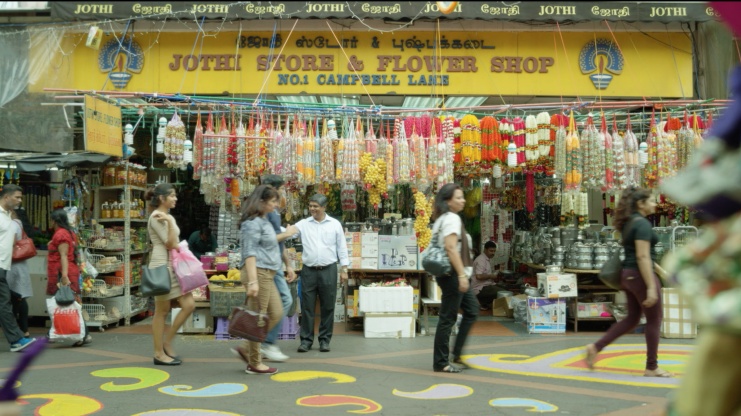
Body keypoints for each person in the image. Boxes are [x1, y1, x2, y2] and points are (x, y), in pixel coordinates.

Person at [585, 187, 671, 377]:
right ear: (641, 204)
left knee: (632, 318)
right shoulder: (642, 225)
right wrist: (651, 287)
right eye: (651, 200)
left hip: (629, 275)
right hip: (641, 276)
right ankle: (652, 366)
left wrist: (661, 271)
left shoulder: (630, 223)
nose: (655, 204)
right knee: (654, 319)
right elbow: (642, 257)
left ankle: (595, 347)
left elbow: (642, 255)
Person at [282, 194, 348, 353]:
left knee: (328, 306)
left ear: (324, 207)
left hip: (329, 270)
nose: (312, 209)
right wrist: (274, 228)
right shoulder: (304, 224)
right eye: (311, 206)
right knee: (307, 307)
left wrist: (344, 269)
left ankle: (325, 340)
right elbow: (288, 232)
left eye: (315, 206)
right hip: (309, 271)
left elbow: (342, 247)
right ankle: (306, 341)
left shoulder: (334, 224)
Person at [230, 185, 284, 375]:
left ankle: (246, 346)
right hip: (258, 273)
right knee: (258, 317)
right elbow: (249, 253)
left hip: (267, 273)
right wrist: (253, 281)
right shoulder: (252, 223)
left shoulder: (263, 220)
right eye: (273, 201)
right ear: (261, 202)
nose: (276, 205)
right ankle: (255, 362)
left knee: (275, 312)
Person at [429, 183, 478, 373]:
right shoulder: (451, 219)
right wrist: (461, 276)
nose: (463, 200)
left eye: (462, 197)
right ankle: (441, 363)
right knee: (447, 319)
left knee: (472, 310)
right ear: (448, 201)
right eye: (458, 197)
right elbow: (450, 248)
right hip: (453, 274)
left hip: (453, 273)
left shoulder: (443, 218)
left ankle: (456, 353)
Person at [146, 183, 195, 366]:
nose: (175, 199)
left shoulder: (165, 216)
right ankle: (159, 353)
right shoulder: (157, 217)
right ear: (162, 198)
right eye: (172, 195)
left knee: (189, 304)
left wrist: (168, 221)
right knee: (161, 311)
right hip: (162, 266)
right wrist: (167, 222)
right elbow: (171, 243)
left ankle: (166, 343)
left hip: (172, 265)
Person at [259, 174, 297, 362]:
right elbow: (269, 240)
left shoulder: (273, 212)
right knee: (284, 301)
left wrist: (288, 265)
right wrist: (287, 233)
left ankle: (261, 343)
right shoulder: (264, 213)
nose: (283, 193)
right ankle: (265, 343)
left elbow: (277, 243)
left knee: (279, 303)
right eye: (281, 189)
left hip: (274, 264)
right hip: (265, 265)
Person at [47, 208, 91, 346]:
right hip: (66, 270)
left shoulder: (61, 234)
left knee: (69, 302)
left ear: (54, 220)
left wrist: (64, 276)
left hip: (63, 272)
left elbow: (64, 256)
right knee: (68, 302)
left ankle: (82, 334)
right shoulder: (69, 233)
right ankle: (71, 332)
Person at [0, 184, 36, 352]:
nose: (20, 200)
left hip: (4, 266)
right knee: (4, 302)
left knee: (5, 302)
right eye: (17, 197)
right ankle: (16, 339)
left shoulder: (8, 216)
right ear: (6, 197)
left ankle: (16, 340)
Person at [8, 210, 32, 337]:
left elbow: (11, 243)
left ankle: (21, 329)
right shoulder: (20, 224)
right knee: (20, 297)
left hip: (13, 264)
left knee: (16, 297)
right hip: (20, 264)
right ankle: (23, 329)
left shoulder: (12, 224)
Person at [473, 241, 506, 310]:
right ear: (485, 250)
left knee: (505, 288)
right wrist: (491, 276)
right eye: (491, 251)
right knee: (502, 293)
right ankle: (482, 301)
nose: (493, 253)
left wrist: (497, 272)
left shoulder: (486, 259)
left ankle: (486, 303)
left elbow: (486, 273)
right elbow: (478, 276)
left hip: (486, 285)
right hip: (480, 288)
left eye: (494, 251)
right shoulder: (481, 260)